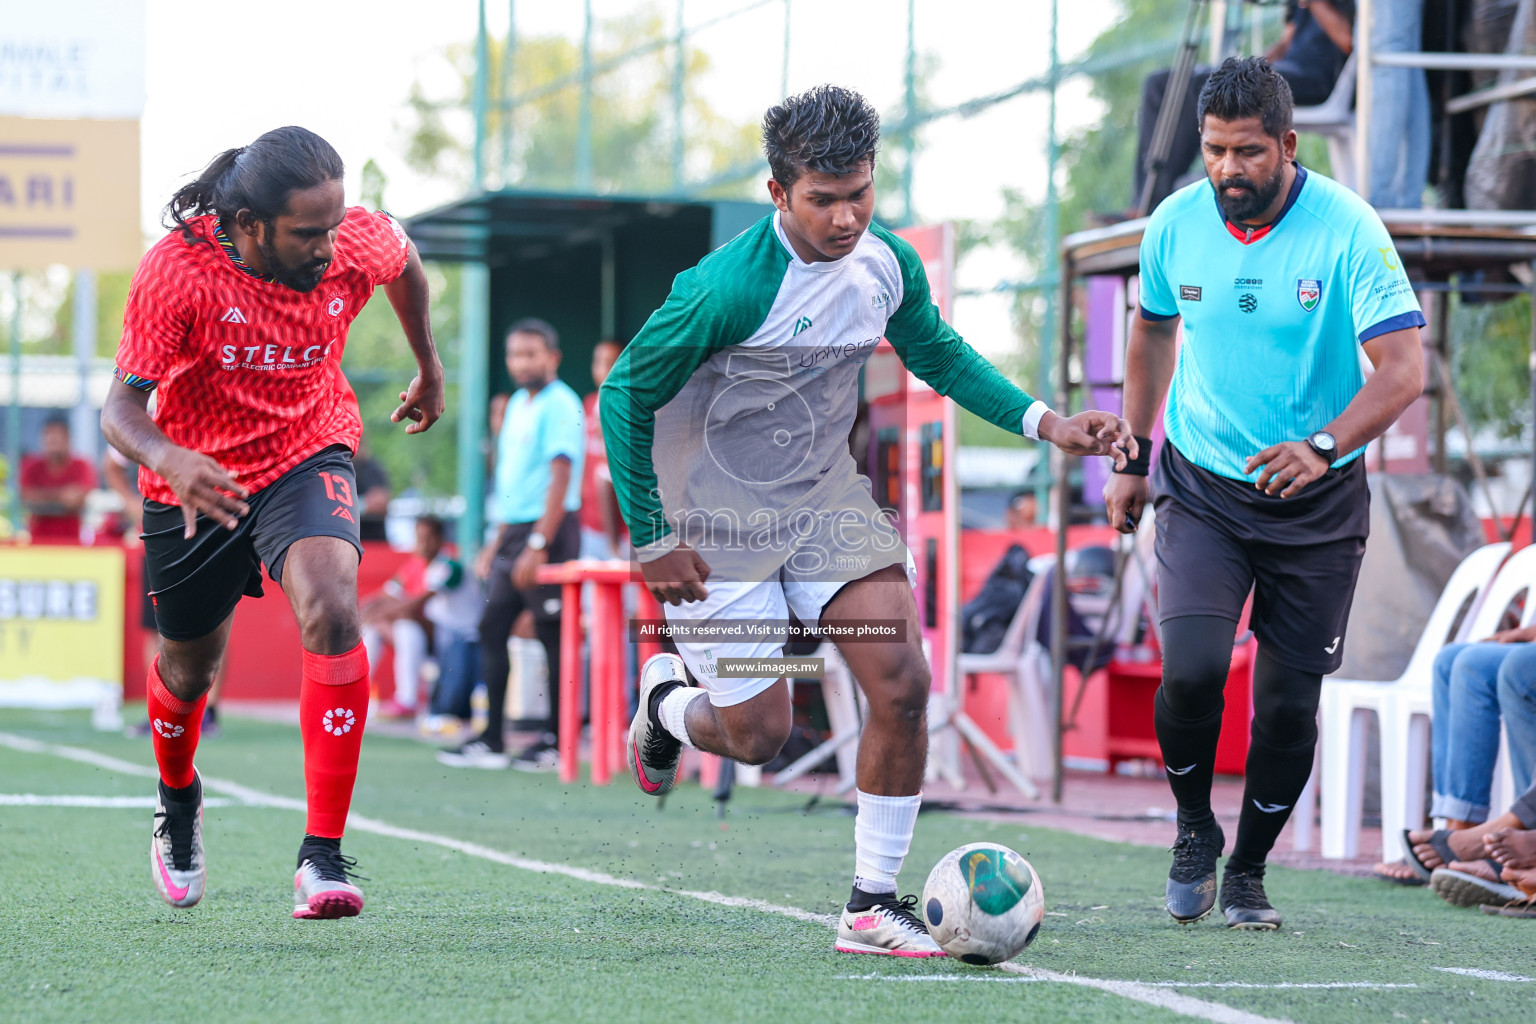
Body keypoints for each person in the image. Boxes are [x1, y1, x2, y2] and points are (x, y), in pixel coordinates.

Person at [603, 84, 1132, 957]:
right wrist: (654, 534)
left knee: (902, 682)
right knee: (759, 737)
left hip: (823, 506)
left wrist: (1051, 423)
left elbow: (938, 354)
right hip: (716, 526)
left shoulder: (885, 263)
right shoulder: (723, 289)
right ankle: (667, 705)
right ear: (779, 193)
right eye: (823, 199)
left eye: (861, 193)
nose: (847, 217)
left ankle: (869, 903)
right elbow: (625, 393)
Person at [1104, 58, 1426, 930]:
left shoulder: (1348, 229)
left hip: (1317, 506)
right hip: (1204, 489)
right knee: (1195, 671)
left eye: (1247, 153)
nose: (1227, 171)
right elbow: (1152, 334)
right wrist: (1132, 458)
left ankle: (1247, 869)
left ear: (1287, 144)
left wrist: (1324, 447)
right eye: (1214, 152)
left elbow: (1405, 372)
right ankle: (1191, 829)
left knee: (1286, 706)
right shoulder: (1175, 222)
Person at [100, 126, 444, 918]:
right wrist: (174, 459)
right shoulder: (177, 272)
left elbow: (407, 260)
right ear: (250, 224)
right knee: (189, 674)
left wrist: (429, 367)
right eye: (306, 232)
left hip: (307, 450)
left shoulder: (352, 239)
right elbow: (120, 407)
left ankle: (322, 857)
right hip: (197, 479)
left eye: (333, 225)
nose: (328, 246)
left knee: (332, 607)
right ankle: (178, 801)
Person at [437, 318, 582, 771]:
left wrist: (540, 541)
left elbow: (561, 475)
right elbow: (511, 481)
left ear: (552, 358)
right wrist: (495, 540)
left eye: (531, 354)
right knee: (491, 630)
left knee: (552, 637)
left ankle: (557, 743)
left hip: (549, 531)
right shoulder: (518, 403)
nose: (521, 363)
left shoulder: (562, 403)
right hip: (512, 531)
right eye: (515, 354)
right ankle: (493, 739)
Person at [1134, 0, 1355, 213]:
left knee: (1199, 87)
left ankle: (1157, 204)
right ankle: (1141, 200)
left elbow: (1348, 40)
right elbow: (1288, 40)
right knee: (1161, 82)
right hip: (1285, 70)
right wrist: (1250, 70)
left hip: (1321, 79)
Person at [360, 516, 443, 718]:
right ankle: (356, 693)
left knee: (405, 626)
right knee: (371, 628)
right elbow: (381, 597)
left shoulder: (447, 566)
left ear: (440, 539)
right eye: (419, 538)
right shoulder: (413, 566)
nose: (423, 544)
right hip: (420, 636)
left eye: (428, 538)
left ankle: (408, 700)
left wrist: (378, 613)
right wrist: (364, 611)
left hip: (444, 639)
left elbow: (413, 607)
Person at [20, 415, 97, 542]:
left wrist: (43, 497)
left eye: (58, 437)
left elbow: (78, 498)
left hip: (71, 541)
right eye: (49, 436)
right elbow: (26, 497)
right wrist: (62, 496)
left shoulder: (81, 465)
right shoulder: (31, 466)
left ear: (68, 439)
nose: (53, 441)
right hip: (38, 541)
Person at [351, 438, 392, 542]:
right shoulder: (337, 469)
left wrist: (349, 506)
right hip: (350, 541)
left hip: (373, 541)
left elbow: (380, 503)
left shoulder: (372, 468)